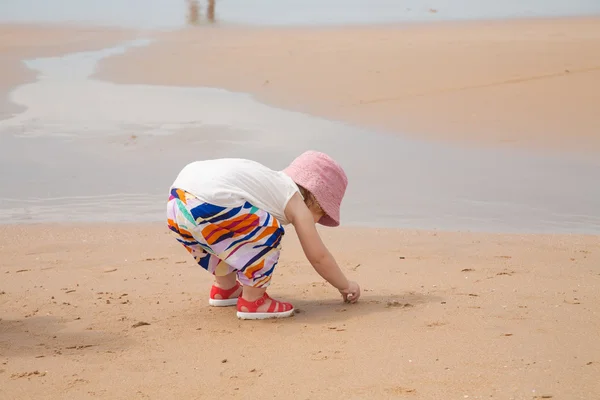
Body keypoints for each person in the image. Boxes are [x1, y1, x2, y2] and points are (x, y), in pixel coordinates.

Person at [166, 150, 361, 320]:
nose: (317, 221)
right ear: (316, 200)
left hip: (177, 203)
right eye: (322, 214)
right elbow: (318, 257)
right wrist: (345, 285)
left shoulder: (267, 185)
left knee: (226, 240)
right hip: (210, 204)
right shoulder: (294, 201)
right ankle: (253, 300)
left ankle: (226, 288)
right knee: (270, 230)